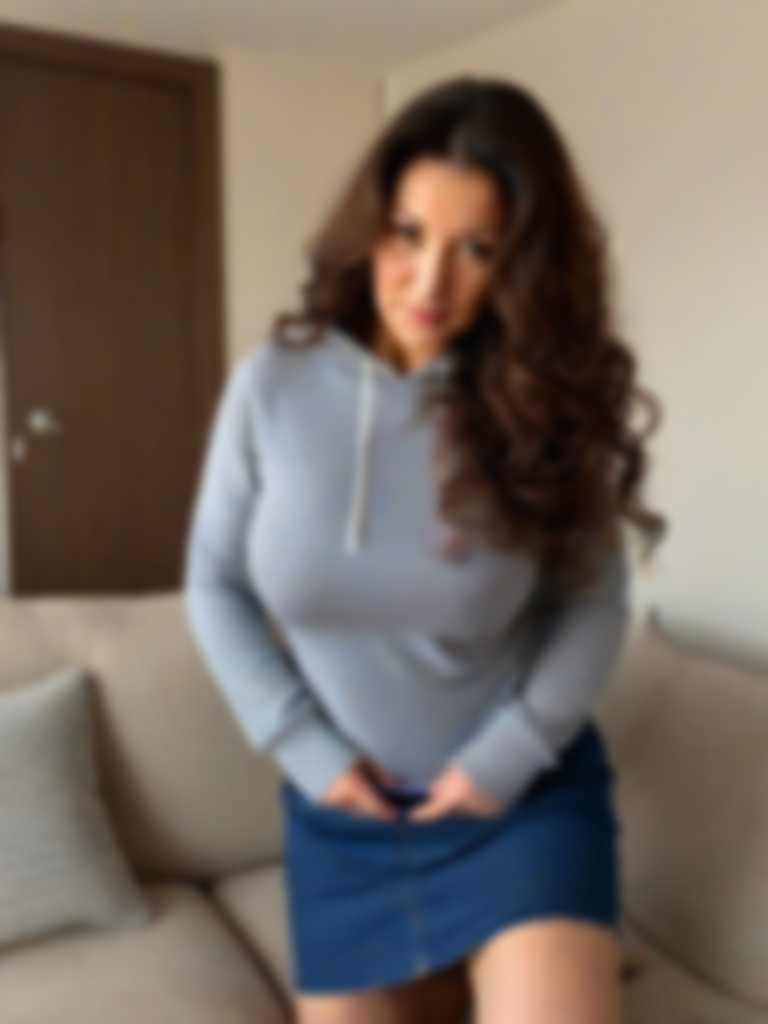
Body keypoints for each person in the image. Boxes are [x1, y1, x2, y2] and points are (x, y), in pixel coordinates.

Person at [183, 75, 666, 1024]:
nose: (430, 283)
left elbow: (594, 602)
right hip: (345, 819)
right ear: (369, 226)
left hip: (519, 804)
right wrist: (303, 746)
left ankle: (542, 941)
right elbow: (214, 582)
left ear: (521, 266)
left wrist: (509, 757)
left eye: (477, 249)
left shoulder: (541, 405)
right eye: (408, 234)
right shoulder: (272, 387)